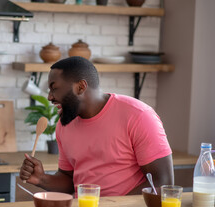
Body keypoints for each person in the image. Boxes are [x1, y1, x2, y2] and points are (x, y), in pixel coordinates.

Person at [20, 56, 174, 196]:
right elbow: (69, 180)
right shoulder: (64, 124)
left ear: (81, 87)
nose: (50, 97)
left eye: (54, 88)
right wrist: (41, 179)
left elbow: (162, 183)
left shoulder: (138, 115)